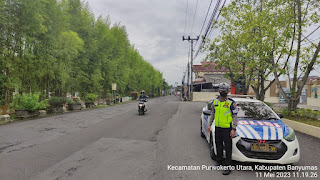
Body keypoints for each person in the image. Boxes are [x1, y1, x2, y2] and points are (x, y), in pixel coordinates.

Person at [207, 82, 238, 175]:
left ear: (228, 91)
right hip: (218, 128)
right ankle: (219, 162)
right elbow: (212, 114)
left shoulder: (231, 103)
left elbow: (235, 116)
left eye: (225, 90)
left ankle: (228, 166)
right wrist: (209, 124)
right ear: (219, 91)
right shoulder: (215, 102)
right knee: (218, 145)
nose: (223, 92)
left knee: (228, 147)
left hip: (227, 129)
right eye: (221, 90)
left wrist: (233, 128)